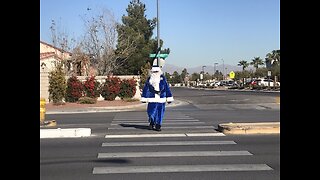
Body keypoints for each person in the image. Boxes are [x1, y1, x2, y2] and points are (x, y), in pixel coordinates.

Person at [140, 65, 174, 131]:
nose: (155, 73)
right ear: (152, 72)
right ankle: (152, 122)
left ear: (159, 71)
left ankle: (158, 125)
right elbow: (146, 88)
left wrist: (169, 98)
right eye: (154, 72)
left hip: (161, 99)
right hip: (152, 99)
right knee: (150, 112)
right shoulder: (150, 79)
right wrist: (144, 97)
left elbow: (167, 88)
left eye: (156, 71)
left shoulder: (163, 78)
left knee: (160, 113)